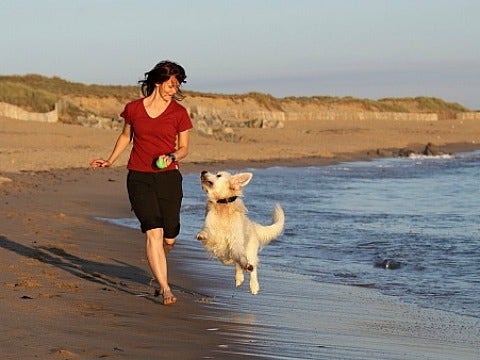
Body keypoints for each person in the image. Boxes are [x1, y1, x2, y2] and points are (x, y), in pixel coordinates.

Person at [90, 60, 193, 305]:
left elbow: (185, 148)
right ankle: (165, 287)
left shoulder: (179, 113)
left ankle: (160, 262)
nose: (174, 90)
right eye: (170, 85)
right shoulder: (134, 109)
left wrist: (172, 156)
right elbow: (126, 136)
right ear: (158, 82)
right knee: (153, 233)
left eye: (177, 85)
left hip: (168, 177)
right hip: (139, 177)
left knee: (169, 236)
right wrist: (110, 160)